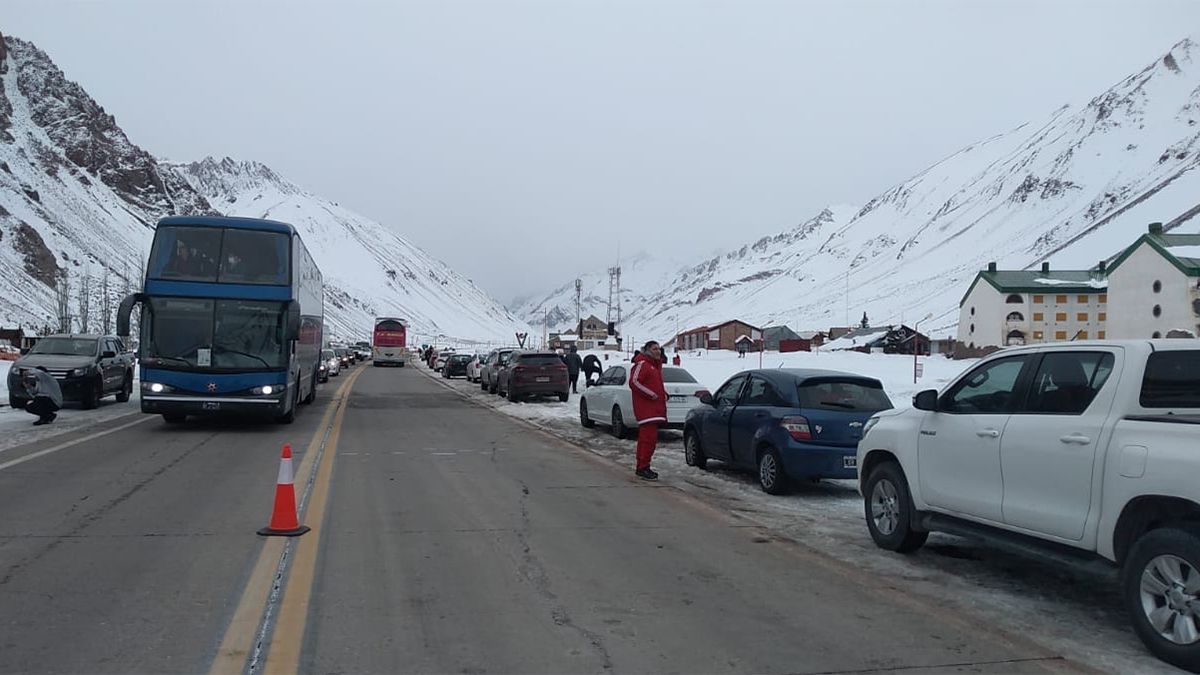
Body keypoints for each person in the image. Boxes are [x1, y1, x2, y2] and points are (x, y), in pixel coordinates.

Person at [629, 341, 667, 481]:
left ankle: (643, 466)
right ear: (647, 350)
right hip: (646, 410)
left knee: (649, 440)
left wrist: (664, 394)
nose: (658, 351)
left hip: (654, 409)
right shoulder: (643, 364)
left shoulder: (654, 366)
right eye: (654, 349)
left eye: (659, 349)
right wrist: (650, 394)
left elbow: (654, 384)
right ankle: (642, 467)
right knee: (647, 439)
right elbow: (634, 382)